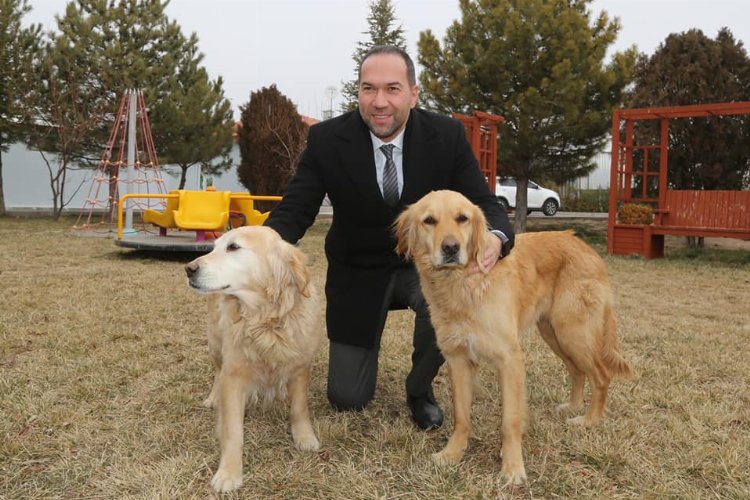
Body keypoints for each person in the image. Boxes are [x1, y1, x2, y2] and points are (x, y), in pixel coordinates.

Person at [264, 45, 514, 430]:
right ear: (359, 92)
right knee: (347, 399)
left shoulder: (445, 136)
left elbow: (482, 200)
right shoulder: (327, 140)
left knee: (447, 299)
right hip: (358, 272)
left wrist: (497, 236)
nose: (379, 102)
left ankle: (419, 388)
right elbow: (296, 209)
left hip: (428, 269)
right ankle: (359, 371)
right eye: (368, 89)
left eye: (392, 89)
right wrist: (257, 246)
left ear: (413, 94)